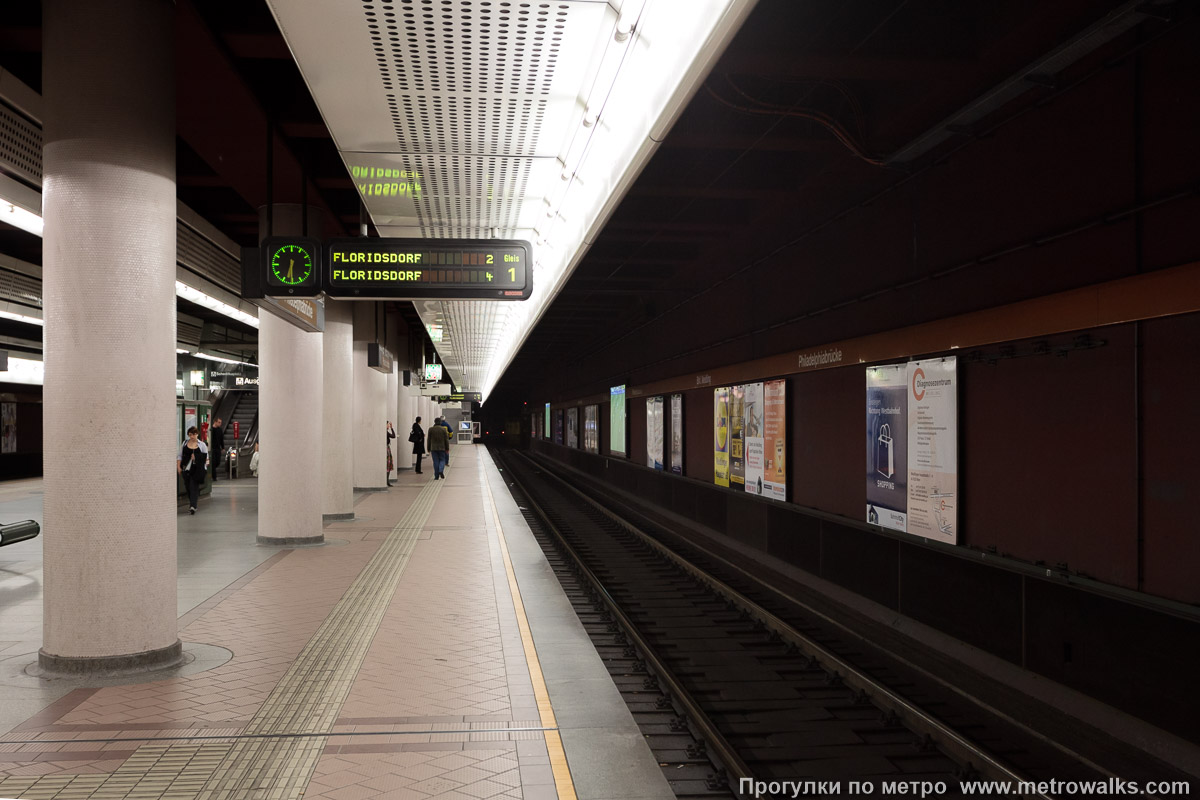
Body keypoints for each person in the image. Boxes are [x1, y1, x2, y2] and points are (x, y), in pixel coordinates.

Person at [177, 426, 209, 514]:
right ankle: (192, 503)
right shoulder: (184, 444)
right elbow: (179, 455)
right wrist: (178, 467)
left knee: (193, 486)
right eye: (190, 434)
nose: (192, 436)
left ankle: (193, 506)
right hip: (186, 469)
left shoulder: (201, 445)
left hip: (197, 469)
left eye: (194, 434)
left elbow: (205, 458)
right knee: (188, 487)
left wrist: (196, 459)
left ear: (197, 434)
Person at [386, 421, 396, 485]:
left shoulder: (386, 432)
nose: (389, 426)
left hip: (388, 448)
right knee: (387, 464)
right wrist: (392, 428)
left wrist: (392, 428)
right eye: (388, 424)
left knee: (389, 464)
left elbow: (393, 436)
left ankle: (387, 480)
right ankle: (387, 480)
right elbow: (393, 436)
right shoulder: (385, 432)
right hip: (386, 449)